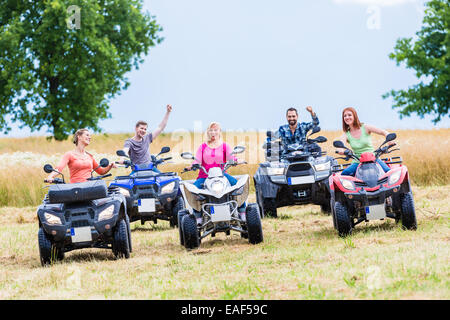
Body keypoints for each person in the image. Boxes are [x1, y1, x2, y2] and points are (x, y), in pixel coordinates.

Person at [337, 107, 393, 176]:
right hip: (358, 161)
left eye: (349, 115)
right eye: (345, 116)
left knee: (389, 173)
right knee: (344, 174)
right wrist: (340, 150)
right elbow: (340, 145)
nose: (347, 117)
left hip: (373, 158)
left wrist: (389, 139)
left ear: (354, 116)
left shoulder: (365, 127)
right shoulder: (346, 134)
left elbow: (382, 131)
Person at [45, 128, 115, 183]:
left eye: (90, 136)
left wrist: (110, 166)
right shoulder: (69, 154)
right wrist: (50, 176)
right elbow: (59, 168)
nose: (90, 137)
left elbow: (101, 171)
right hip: (75, 189)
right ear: (79, 137)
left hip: (90, 188)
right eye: (87, 135)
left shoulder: (90, 156)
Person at [185, 122, 240, 189]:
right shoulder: (202, 146)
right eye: (211, 130)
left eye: (215, 130)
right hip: (205, 176)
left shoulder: (225, 146)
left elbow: (231, 157)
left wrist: (236, 161)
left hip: (222, 176)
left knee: (238, 186)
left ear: (220, 131)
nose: (213, 132)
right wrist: (192, 166)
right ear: (208, 132)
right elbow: (197, 160)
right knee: (193, 190)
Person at [120, 105, 172, 172]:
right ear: (136, 128)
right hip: (137, 171)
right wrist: (122, 158)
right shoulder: (129, 142)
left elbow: (160, 127)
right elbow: (125, 150)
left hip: (151, 169)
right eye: (141, 128)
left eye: (145, 129)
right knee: (126, 182)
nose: (143, 131)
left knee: (165, 179)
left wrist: (168, 112)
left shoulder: (147, 138)